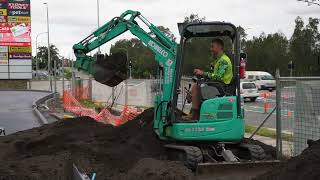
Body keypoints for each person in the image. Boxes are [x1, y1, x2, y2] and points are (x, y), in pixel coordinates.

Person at [189, 38, 233, 120]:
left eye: (212, 47)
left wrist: (203, 73)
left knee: (196, 87)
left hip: (221, 87)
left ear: (220, 47)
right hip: (218, 85)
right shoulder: (218, 60)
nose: (211, 49)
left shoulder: (223, 61)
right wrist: (203, 75)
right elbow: (213, 75)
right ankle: (195, 113)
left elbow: (218, 77)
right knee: (197, 85)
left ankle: (194, 114)